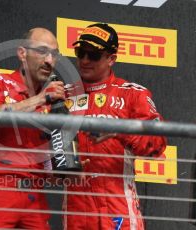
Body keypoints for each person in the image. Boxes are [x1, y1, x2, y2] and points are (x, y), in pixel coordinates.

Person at [63, 23, 167, 230]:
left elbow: (158, 145)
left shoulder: (132, 94)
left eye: (93, 55)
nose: (84, 60)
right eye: (80, 52)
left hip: (118, 205)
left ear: (111, 59)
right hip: (77, 210)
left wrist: (118, 130)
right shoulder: (61, 95)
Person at [0, 28, 65, 229]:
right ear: (22, 53)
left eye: (54, 55)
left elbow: (48, 164)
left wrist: (67, 169)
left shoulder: (54, 103)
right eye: (42, 51)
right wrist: (41, 98)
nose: (49, 60)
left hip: (35, 196)